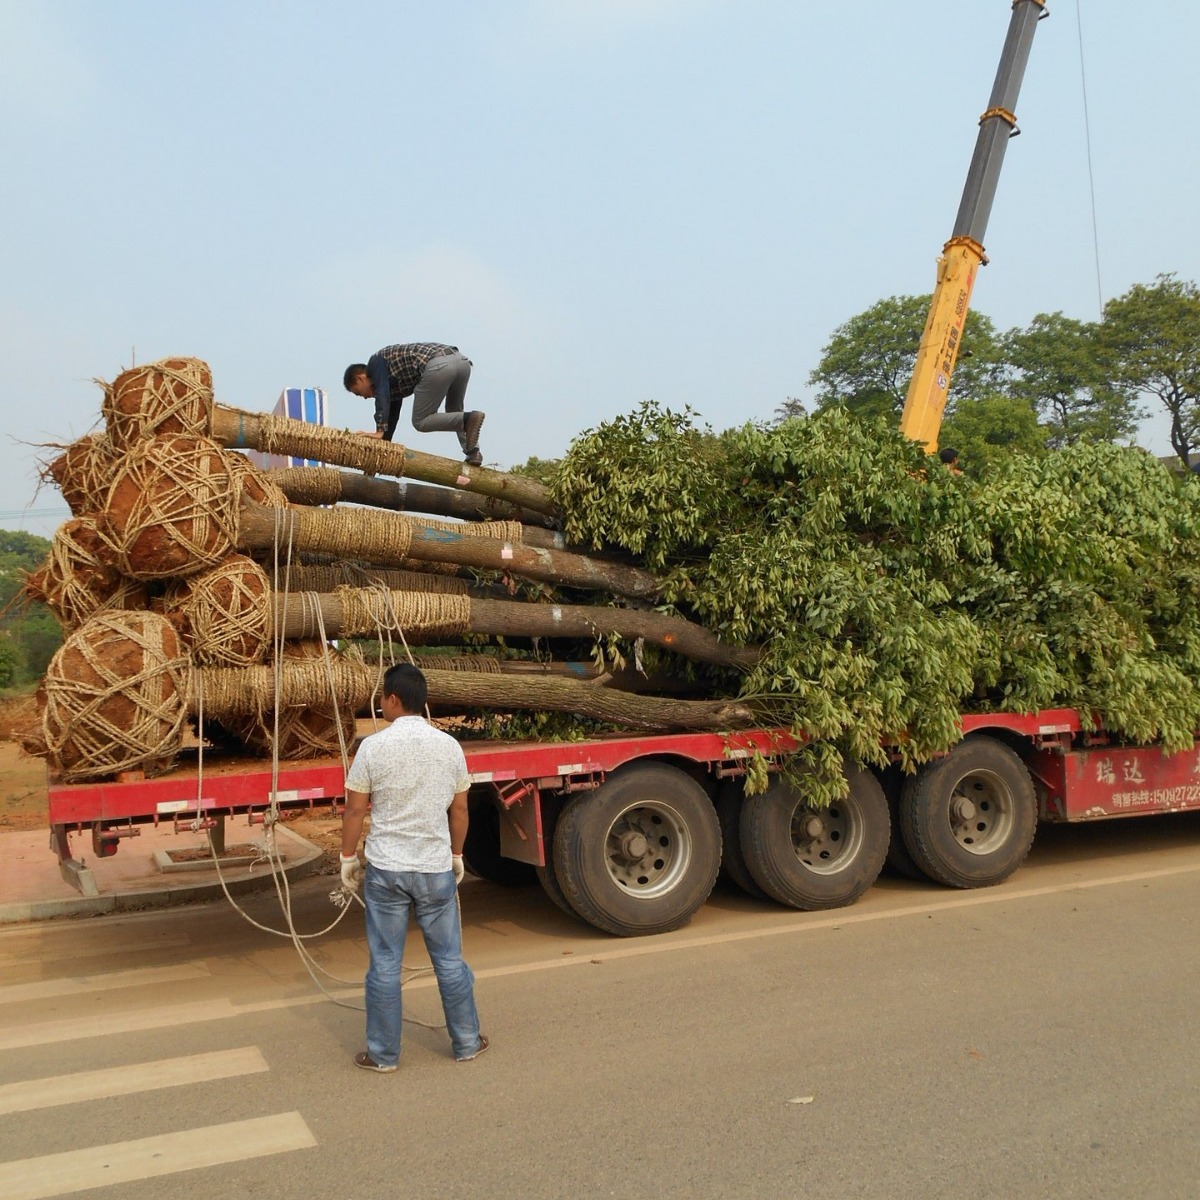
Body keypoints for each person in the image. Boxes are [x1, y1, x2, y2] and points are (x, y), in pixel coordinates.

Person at [339, 662, 488, 1070]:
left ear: (393, 699)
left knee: (385, 963)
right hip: (434, 869)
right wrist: (457, 856)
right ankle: (467, 1042)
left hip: (387, 870)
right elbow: (460, 810)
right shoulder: (450, 747)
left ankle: (384, 1055)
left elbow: (355, 811)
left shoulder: (372, 747)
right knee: (449, 960)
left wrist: (346, 858)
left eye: (382, 697)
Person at [343, 343, 486, 465]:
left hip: (438, 365)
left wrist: (379, 431)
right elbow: (392, 414)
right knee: (454, 412)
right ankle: (473, 452)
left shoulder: (375, 364)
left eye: (358, 393)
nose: (363, 397)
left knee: (421, 421)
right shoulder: (390, 382)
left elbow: (382, 395)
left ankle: (468, 420)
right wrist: (383, 445)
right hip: (461, 362)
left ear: (360, 378)